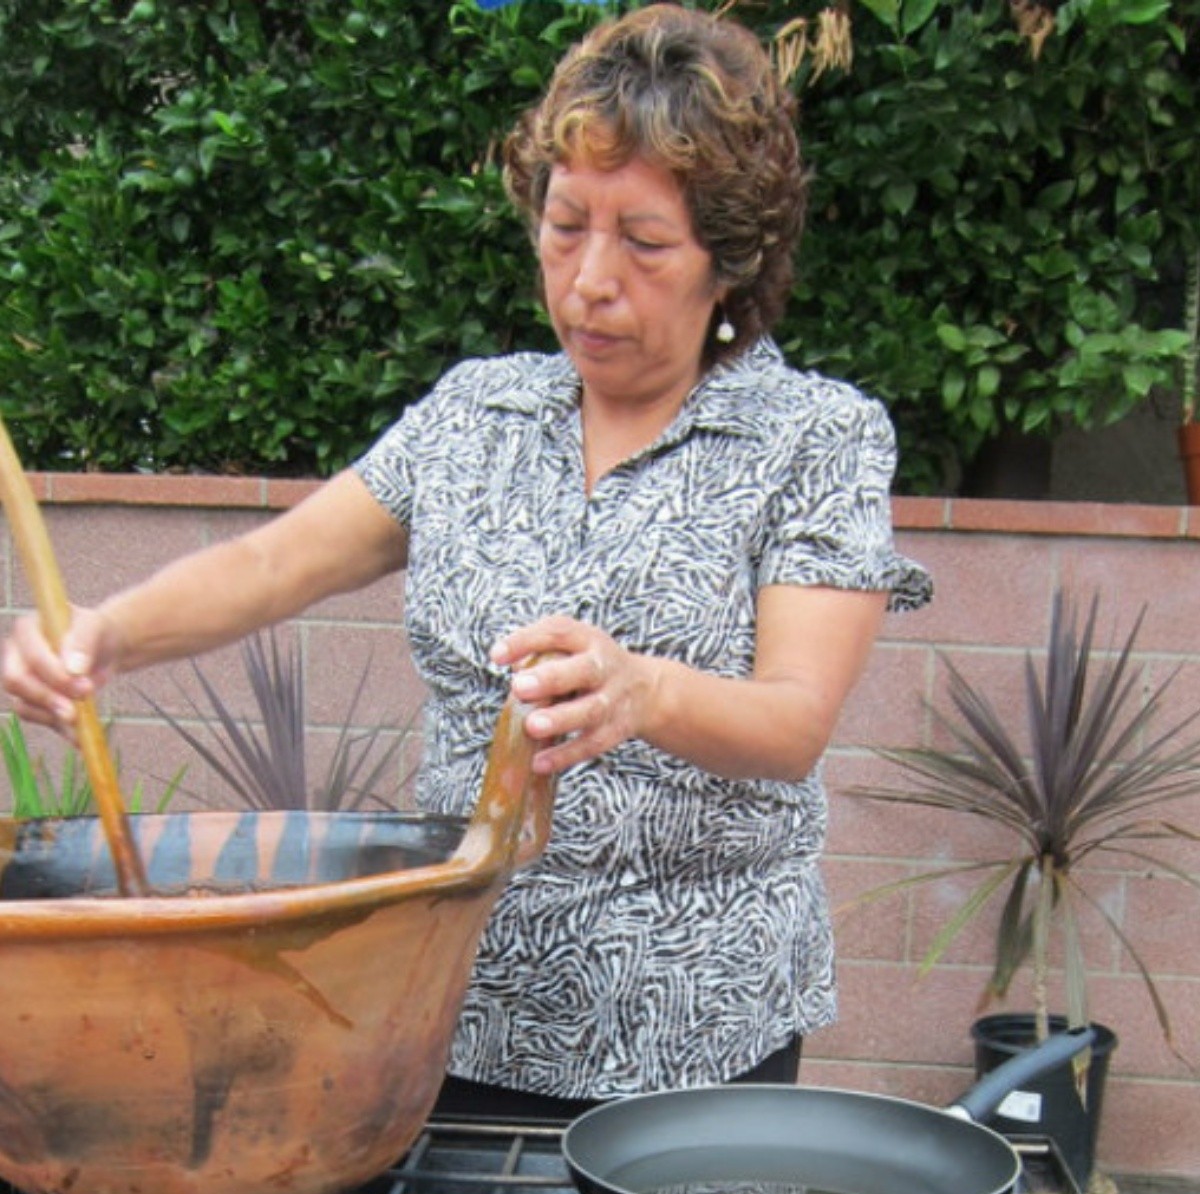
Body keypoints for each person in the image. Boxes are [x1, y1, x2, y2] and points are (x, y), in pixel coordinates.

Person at [3, 4, 930, 1120]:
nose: (590, 280)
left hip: (694, 1022)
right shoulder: (475, 416)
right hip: (448, 998)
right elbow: (270, 565)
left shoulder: (816, 438)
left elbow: (793, 721)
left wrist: (645, 690)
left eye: (642, 242)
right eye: (564, 224)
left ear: (728, 260)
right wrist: (106, 634)